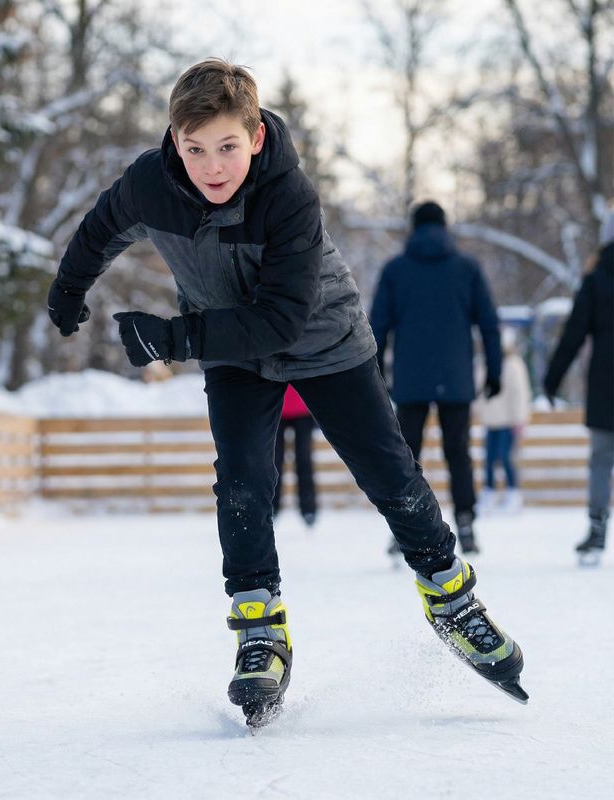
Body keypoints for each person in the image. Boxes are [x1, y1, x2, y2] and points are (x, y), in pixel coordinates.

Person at [46, 59, 527, 724]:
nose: (211, 167)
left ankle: (453, 598)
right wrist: (70, 287)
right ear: (173, 142)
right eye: (194, 149)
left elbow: (281, 320)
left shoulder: (287, 196)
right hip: (231, 350)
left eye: (227, 148)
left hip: (322, 341)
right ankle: (259, 628)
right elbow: (103, 225)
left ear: (256, 139)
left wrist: (176, 338)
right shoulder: (151, 184)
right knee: (242, 482)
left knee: (390, 473)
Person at [369, 201, 502, 555]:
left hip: (411, 379)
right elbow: (489, 324)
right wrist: (495, 370)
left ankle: (405, 529)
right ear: (445, 227)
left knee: (406, 455)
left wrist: (376, 374)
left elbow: (376, 327)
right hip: (456, 377)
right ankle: (467, 523)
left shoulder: (396, 270)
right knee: (458, 452)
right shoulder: (467, 268)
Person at [544, 209, 614, 563]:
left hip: (606, 380)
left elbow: (573, 335)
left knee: (601, 460)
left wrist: (552, 379)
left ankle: (597, 531)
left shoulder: (597, 279)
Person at [474, 326, 532, 514]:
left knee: (506, 457)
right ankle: (489, 493)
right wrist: (478, 410)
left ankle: (513, 493)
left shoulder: (513, 364)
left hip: (508, 421)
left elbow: (520, 393)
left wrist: (519, 419)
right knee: (489, 459)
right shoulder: (484, 362)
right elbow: (479, 389)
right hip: (491, 421)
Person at [272, 385, 317, 526]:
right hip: (277, 407)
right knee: (274, 461)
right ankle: (272, 507)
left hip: (303, 408)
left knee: (304, 459)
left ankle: (308, 509)